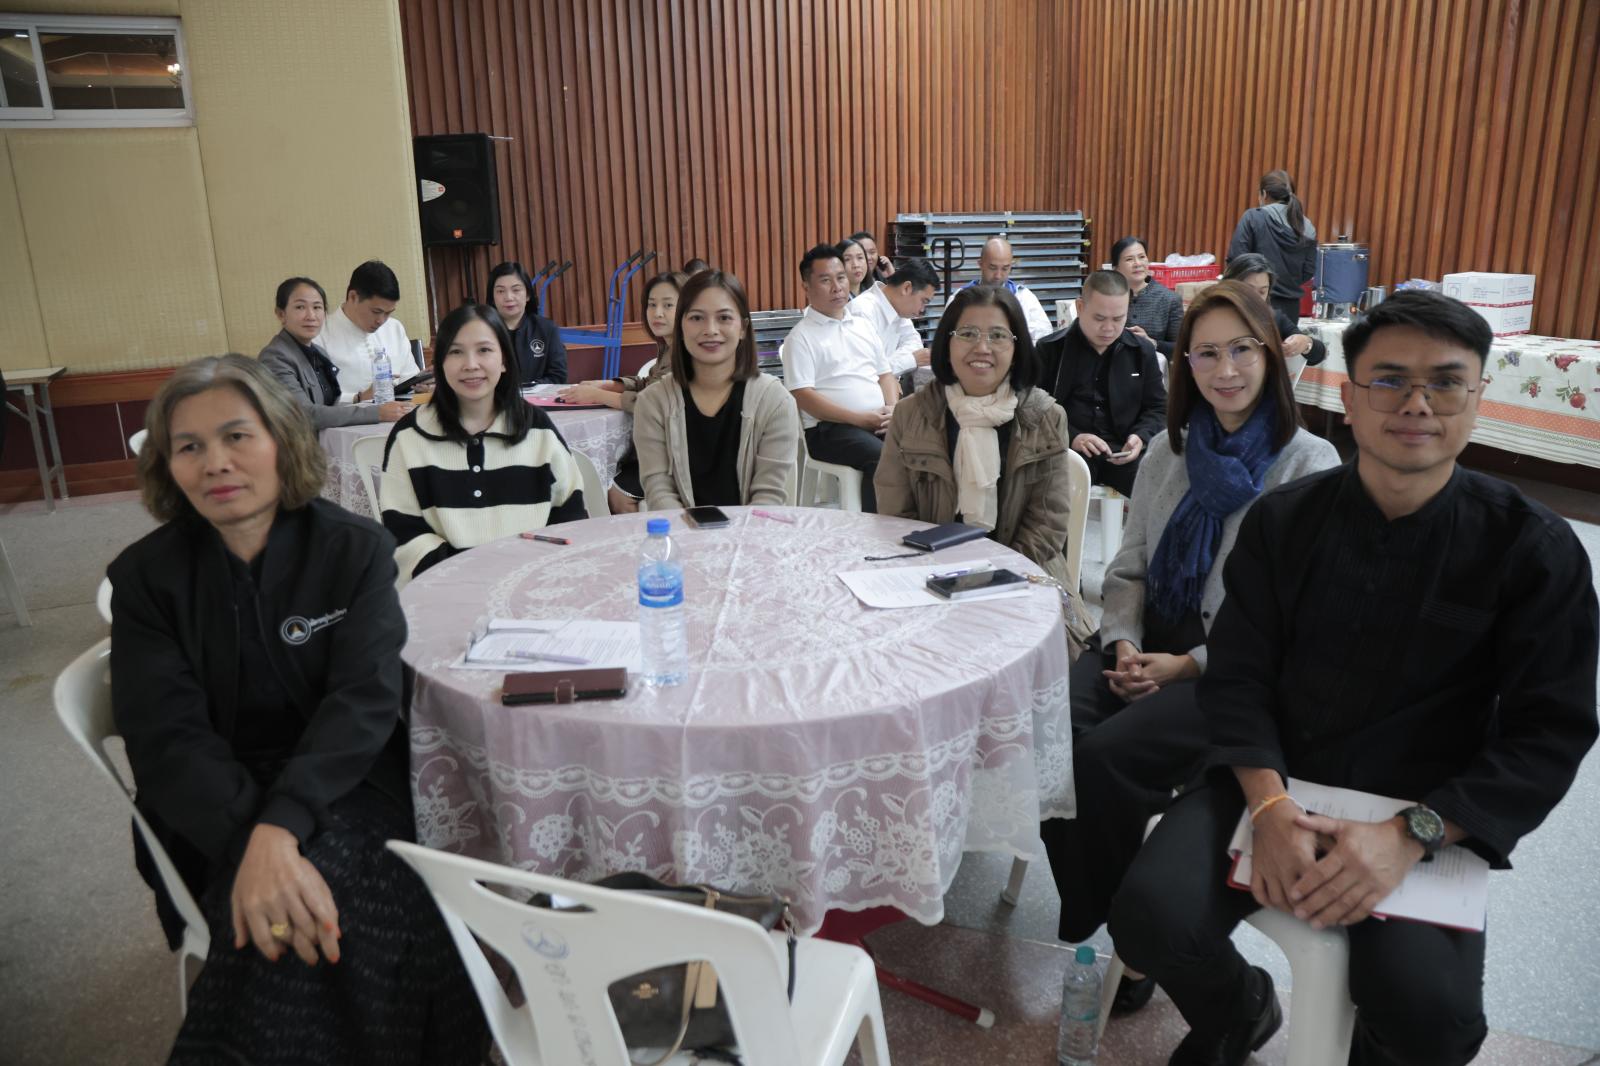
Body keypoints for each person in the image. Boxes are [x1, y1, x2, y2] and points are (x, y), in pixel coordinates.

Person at [1107, 291, 1598, 1066]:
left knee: (1430, 1018)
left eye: (1445, 382)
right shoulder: (1284, 522)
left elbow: (1550, 730)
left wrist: (1411, 836)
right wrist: (1270, 806)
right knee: (1147, 919)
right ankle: (1237, 1011)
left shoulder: (1532, 551)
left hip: (1428, 807)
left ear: (1478, 395)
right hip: (1270, 775)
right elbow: (1238, 677)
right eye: (1390, 379)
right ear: (1349, 392)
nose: (1417, 404)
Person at [108, 355, 487, 1065]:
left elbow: (362, 703)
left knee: (320, 904)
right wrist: (257, 840)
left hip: (348, 781)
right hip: (208, 811)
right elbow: (166, 740)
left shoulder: (354, 550)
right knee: (297, 918)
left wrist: (279, 830)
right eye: (188, 446)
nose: (215, 463)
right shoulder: (145, 580)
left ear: (282, 440)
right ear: (167, 464)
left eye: (236, 436)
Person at [1040, 283, 1338, 1009]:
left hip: (1233, 671)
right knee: (1050, 743)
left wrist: (1186, 666)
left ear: (1271, 356)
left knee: (1104, 759)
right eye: (1206, 353)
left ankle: (1133, 947)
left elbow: (1290, 620)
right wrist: (1122, 641)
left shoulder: (1309, 464)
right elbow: (1128, 567)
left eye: (1241, 350)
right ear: (1185, 365)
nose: (1224, 370)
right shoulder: (1169, 452)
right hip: (1145, 638)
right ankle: (1119, 925)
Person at [875, 283, 1092, 641]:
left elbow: (1048, 523)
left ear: (1017, 348)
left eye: (998, 335)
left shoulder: (1045, 417)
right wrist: (946, 583)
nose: (982, 347)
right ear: (947, 343)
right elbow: (895, 517)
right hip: (926, 580)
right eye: (968, 334)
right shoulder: (911, 414)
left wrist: (990, 583)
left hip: (1023, 575)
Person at [379, 304, 585, 585]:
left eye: (484, 350)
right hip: (444, 588)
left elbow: (570, 513)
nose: (471, 364)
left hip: (531, 584)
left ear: (504, 360)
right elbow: (402, 530)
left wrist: (531, 571)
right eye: (456, 352)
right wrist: (468, 573)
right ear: (440, 363)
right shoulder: (409, 436)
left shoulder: (536, 427)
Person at [633, 270, 799, 510]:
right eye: (696, 318)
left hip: (755, 530)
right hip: (679, 530)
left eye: (724, 318)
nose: (710, 329)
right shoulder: (653, 402)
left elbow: (768, 496)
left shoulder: (774, 401)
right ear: (680, 327)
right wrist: (692, 530)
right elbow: (659, 491)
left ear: (743, 328)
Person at [779, 243, 900, 512]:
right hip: (828, 430)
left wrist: (892, 409)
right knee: (881, 457)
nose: (837, 287)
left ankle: (913, 524)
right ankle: (874, 528)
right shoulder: (800, 337)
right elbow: (804, 397)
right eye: (825, 280)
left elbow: (885, 375)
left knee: (921, 447)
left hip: (876, 421)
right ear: (806, 287)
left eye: (841, 277)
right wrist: (859, 419)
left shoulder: (863, 325)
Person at [560, 270, 686, 513]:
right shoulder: (668, 346)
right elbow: (650, 383)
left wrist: (598, 396)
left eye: (668, 305)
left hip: (676, 455)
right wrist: (611, 384)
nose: (657, 312)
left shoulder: (685, 352)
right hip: (658, 448)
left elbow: (652, 403)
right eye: (652, 304)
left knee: (616, 492)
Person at [1036, 270, 1167, 496]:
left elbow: (1159, 408)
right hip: (1068, 450)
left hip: (1124, 450)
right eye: (1099, 318)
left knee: (1161, 489)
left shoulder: (1142, 351)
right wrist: (1071, 436)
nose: (1108, 328)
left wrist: (1141, 436)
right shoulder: (1050, 350)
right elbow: (1033, 410)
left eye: (1118, 319)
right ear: (1080, 307)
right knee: (1060, 488)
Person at [259, 277, 410, 430]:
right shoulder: (275, 358)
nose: (311, 316)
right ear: (281, 314)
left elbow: (330, 404)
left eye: (317, 307)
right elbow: (304, 415)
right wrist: (377, 413)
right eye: (300, 307)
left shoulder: (318, 352)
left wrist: (361, 399)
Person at [315, 260, 424, 400]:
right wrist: (358, 397)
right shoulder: (319, 335)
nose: (381, 321)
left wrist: (421, 385)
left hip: (400, 410)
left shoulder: (394, 328)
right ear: (353, 297)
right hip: (347, 414)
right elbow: (314, 399)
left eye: (388, 313)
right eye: (376, 311)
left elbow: (410, 381)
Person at [1227, 169, 1317, 323]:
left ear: (1264, 194)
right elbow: (1308, 271)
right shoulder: (1308, 227)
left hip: (1254, 305)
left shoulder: (1253, 218)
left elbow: (1237, 260)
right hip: (1291, 309)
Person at [1221, 253, 1324, 366]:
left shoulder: (1273, 318)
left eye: (1262, 292)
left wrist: (1305, 343)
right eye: (1248, 290)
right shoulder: (1213, 318)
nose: (1256, 298)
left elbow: (1318, 354)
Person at [486, 260, 568, 385]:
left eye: (516, 290)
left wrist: (529, 389)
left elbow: (558, 376)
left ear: (528, 295)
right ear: (492, 297)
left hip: (539, 396)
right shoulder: (483, 331)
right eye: (501, 291)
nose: (509, 297)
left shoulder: (546, 329)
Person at [851, 257, 937, 375]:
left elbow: (915, 344)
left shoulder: (898, 309)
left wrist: (890, 364)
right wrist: (911, 360)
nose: (922, 309)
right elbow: (866, 372)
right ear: (906, 288)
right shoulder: (862, 312)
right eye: (923, 301)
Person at [957, 237, 1053, 341]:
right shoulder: (960, 298)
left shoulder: (1024, 298)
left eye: (1005, 268)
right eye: (993, 268)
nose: (998, 275)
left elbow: (1044, 336)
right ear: (980, 264)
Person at [1113, 236, 1184, 357]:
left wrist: (1153, 343)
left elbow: (1181, 348)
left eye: (1142, 257)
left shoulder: (1169, 299)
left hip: (1153, 365)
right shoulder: (1107, 296)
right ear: (1116, 268)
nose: (1138, 264)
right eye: (1129, 259)